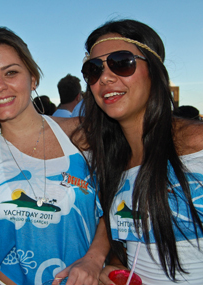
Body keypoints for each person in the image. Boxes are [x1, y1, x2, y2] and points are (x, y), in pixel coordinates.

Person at [0, 27, 109, 285]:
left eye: (11, 72)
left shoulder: (81, 136)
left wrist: (95, 258)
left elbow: (113, 207)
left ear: (32, 78)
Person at [77, 19, 203, 284]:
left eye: (122, 62)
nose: (106, 77)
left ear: (154, 71)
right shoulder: (112, 160)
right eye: (94, 69)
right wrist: (108, 266)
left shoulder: (197, 145)